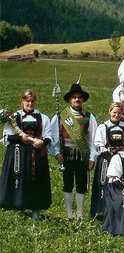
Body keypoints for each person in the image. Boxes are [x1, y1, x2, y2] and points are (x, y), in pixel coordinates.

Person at [0, 90, 53, 219]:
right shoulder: (14, 117)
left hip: (37, 155)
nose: (30, 103)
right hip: (19, 155)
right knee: (20, 180)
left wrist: (42, 142)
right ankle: (19, 208)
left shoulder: (43, 117)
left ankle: (36, 211)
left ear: (35, 102)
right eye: (27, 101)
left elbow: (49, 136)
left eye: (32, 101)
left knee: (36, 181)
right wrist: (20, 139)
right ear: (22, 101)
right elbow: (6, 137)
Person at [51, 83, 97, 219]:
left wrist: (92, 157)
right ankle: (69, 213)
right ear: (70, 100)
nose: (77, 100)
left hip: (82, 156)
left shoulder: (89, 117)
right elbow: (54, 137)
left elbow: (93, 140)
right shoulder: (61, 116)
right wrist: (56, 153)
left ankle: (80, 213)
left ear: (82, 99)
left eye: (79, 97)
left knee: (82, 184)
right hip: (67, 155)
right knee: (68, 183)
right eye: (74, 97)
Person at [90, 102, 124, 219]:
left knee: (119, 183)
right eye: (114, 112)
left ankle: (117, 210)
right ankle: (101, 211)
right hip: (106, 159)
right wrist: (109, 151)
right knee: (103, 184)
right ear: (110, 112)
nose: (116, 115)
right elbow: (97, 145)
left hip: (120, 160)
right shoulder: (103, 126)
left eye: (119, 113)